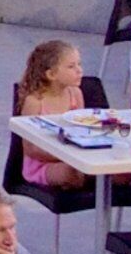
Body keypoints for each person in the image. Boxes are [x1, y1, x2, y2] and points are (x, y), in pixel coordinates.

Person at [13, 37, 98, 199]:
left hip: (75, 156)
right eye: (71, 66)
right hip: (43, 164)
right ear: (51, 74)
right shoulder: (35, 102)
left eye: (79, 64)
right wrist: (66, 156)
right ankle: (90, 177)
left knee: (123, 175)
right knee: (71, 173)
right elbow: (30, 149)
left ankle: (96, 177)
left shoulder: (75, 94)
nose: (79, 70)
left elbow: (81, 129)